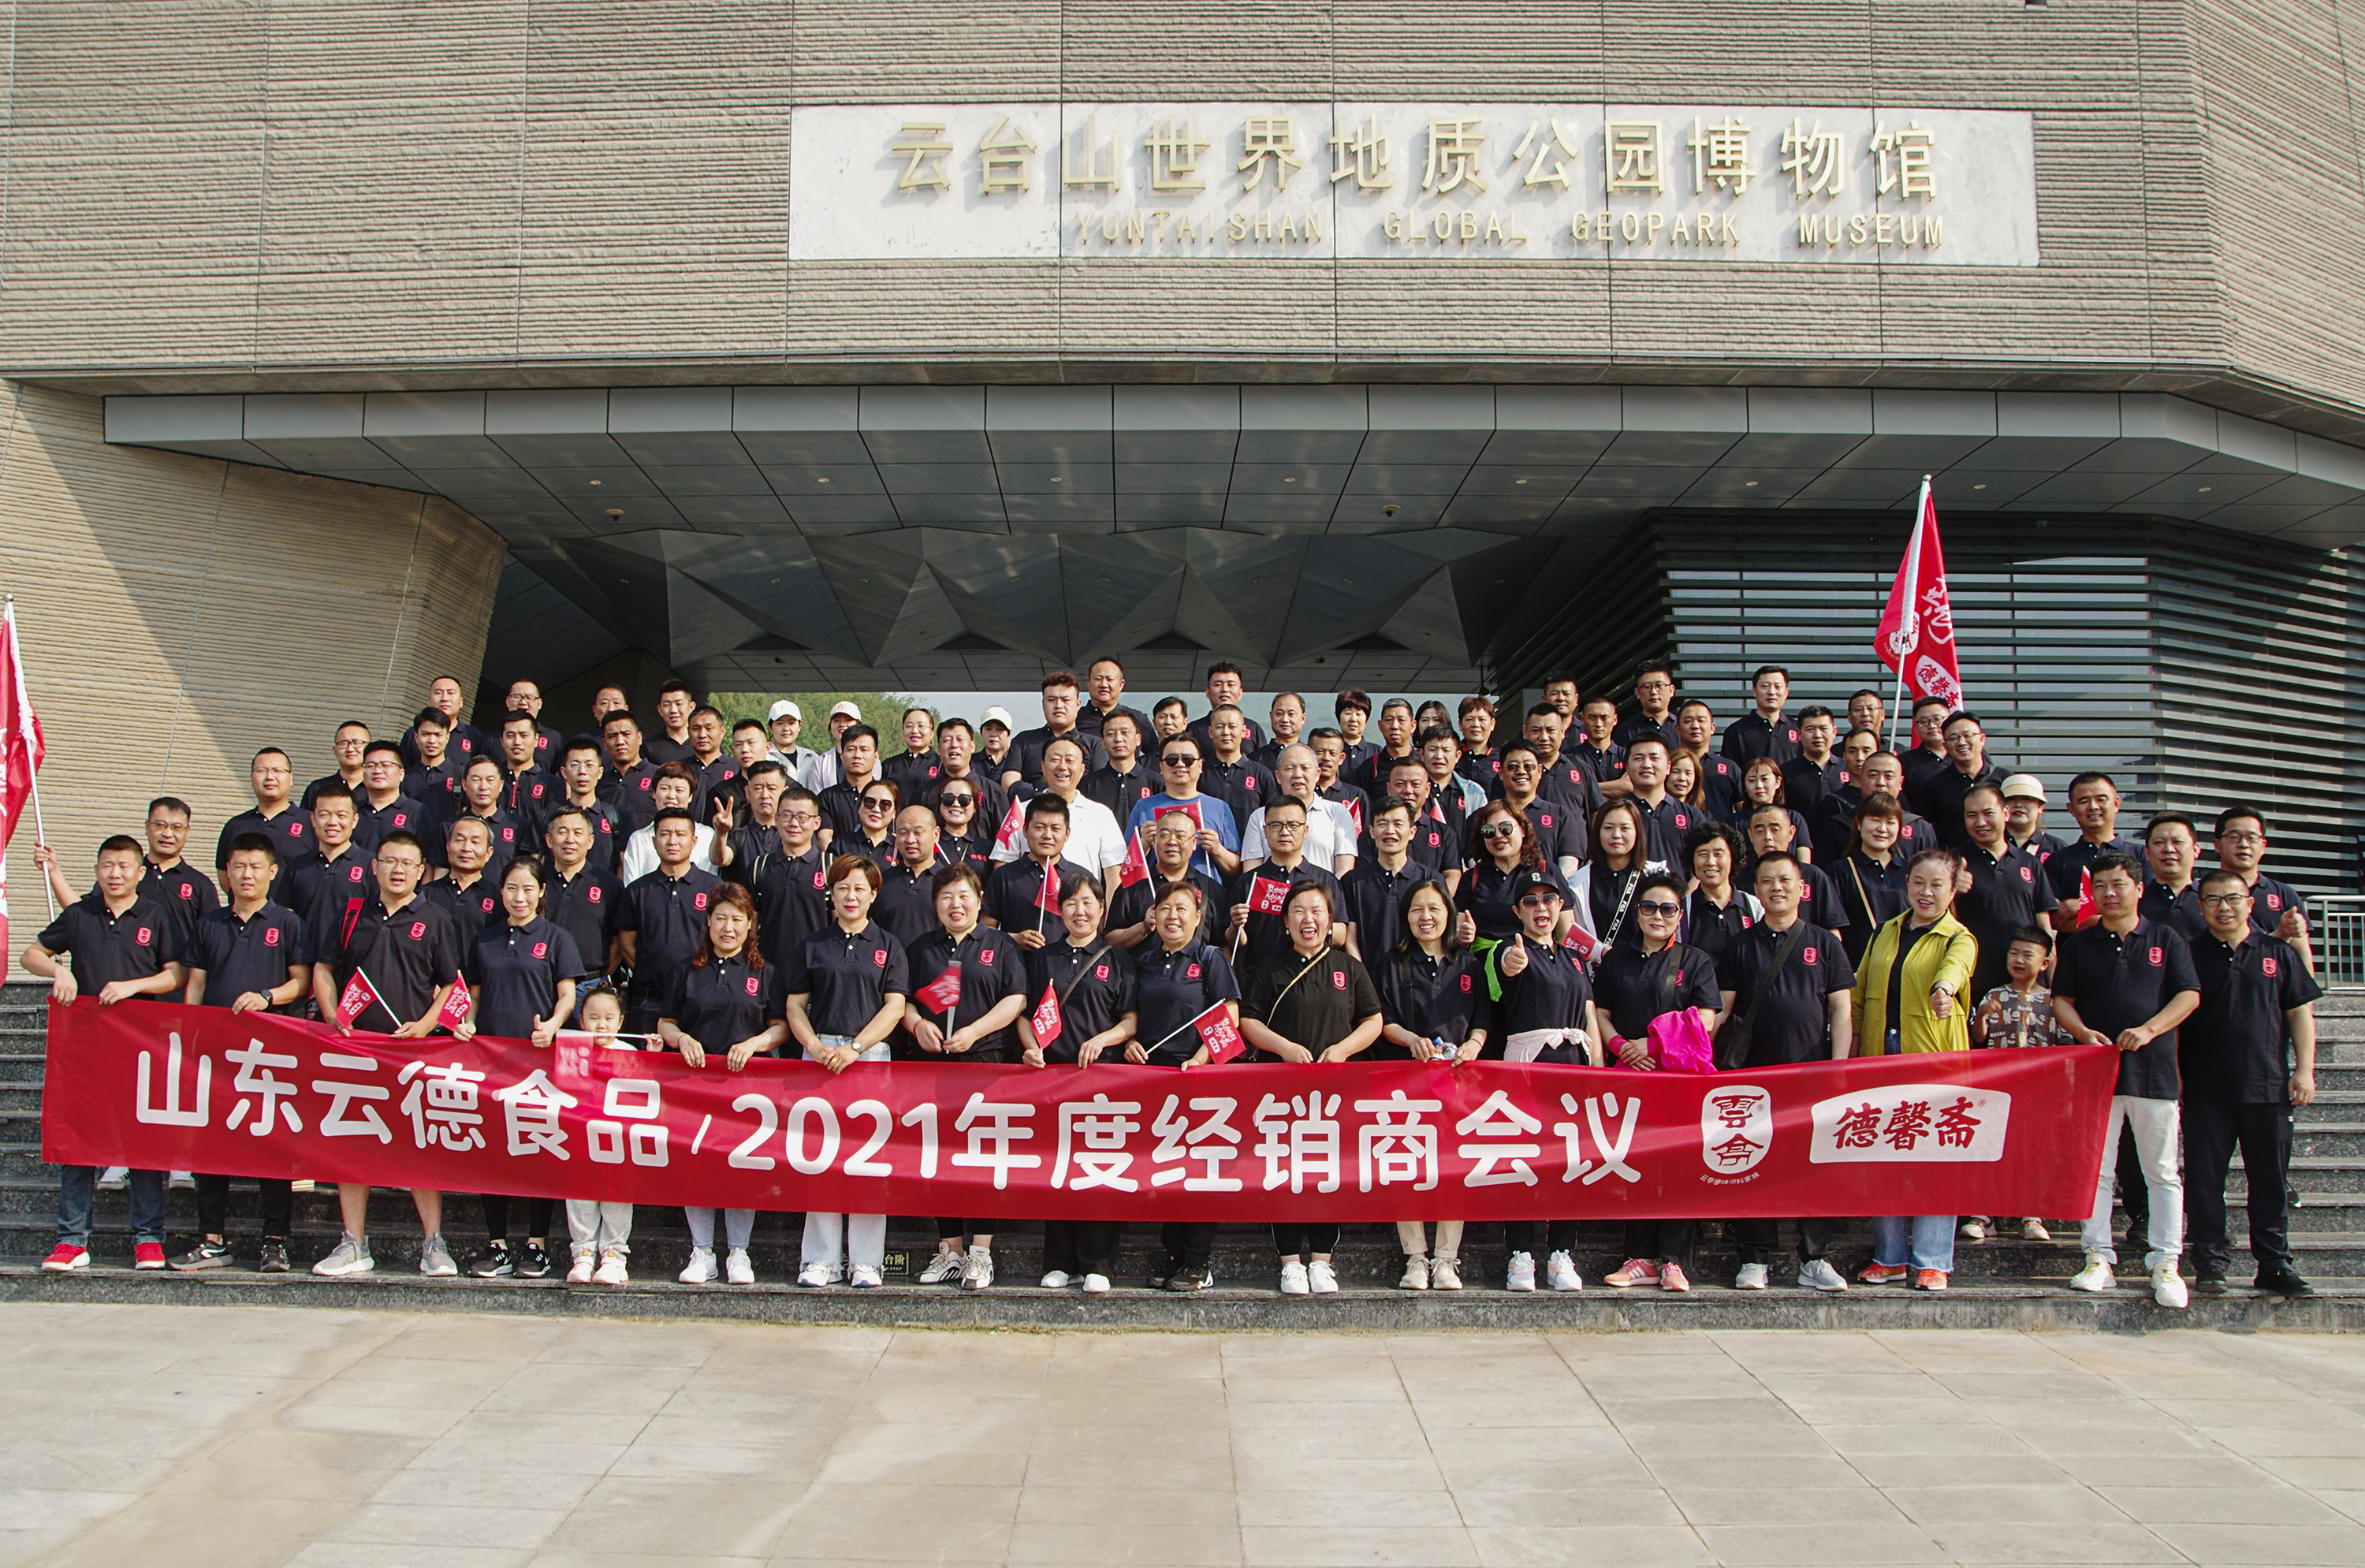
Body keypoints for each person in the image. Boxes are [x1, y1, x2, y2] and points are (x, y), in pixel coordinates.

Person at [305, 830, 462, 1278]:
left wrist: (426, 1025)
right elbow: (324, 968)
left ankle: (433, 1243)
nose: (398, 870)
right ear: (374, 867)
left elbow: (450, 983)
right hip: (356, 1049)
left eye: (407, 863)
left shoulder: (435, 918)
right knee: (353, 1145)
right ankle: (353, 1244)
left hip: (412, 1052)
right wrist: (332, 1015)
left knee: (418, 1147)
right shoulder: (352, 912)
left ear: (421, 871)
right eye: (389, 861)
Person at [25, 836, 186, 1272]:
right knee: (78, 1141)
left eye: (123, 866)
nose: (115, 874)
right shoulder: (80, 914)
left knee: (144, 1142)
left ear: (139, 872)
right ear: (97, 871)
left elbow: (175, 974)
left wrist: (135, 986)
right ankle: (71, 1239)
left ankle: (148, 1238)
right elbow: (31, 954)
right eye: (107, 866)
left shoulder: (156, 915)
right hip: (86, 1047)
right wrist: (58, 970)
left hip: (139, 1047)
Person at [2055, 850, 2202, 1309]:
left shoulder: (2165, 938)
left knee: (2161, 1171)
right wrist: (2083, 1033)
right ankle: (2097, 1256)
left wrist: (2150, 1030)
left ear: (2139, 889)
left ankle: (2166, 1262)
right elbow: (2062, 1000)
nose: (2109, 894)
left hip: (2153, 1073)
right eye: (2099, 887)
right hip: (2097, 1074)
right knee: (2096, 1171)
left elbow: (2189, 995)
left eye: (2118, 885)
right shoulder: (2080, 944)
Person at [169, 832, 311, 1272]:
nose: (247, 875)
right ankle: (212, 1238)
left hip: (270, 1055)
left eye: (256, 867)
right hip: (216, 1053)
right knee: (212, 1146)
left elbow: (301, 982)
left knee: (273, 1144)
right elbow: (195, 985)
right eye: (239, 867)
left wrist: (267, 997)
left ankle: (275, 1240)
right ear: (226, 873)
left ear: (272, 872)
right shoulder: (209, 923)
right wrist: (189, 1040)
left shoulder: (288, 923)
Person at [2182, 867, 2323, 1298]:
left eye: (2232, 899)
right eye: (2213, 900)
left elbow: (2300, 1013)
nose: (2223, 908)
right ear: (2201, 907)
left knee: (2270, 1181)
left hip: (2268, 1086)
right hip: (2205, 1088)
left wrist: (2304, 1070)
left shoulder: (2278, 952)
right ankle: (2210, 1262)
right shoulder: (2187, 954)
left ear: (2250, 903)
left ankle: (2274, 1264)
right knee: (2205, 1181)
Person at [1720, 852, 1857, 1291]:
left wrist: (1838, 1068)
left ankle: (1814, 1258)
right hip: (1753, 1077)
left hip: (1812, 1076)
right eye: (1767, 881)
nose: (1776, 888)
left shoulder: (1825, 943)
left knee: (1814, 1167)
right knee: (1751, 1163)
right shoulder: (1740, 945)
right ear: (1756, 891)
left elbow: (1841, 1010)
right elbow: (1722, 1011)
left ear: (1802, 888)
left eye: (1784, 880)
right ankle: (1754, 1257)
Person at [1239, 883, 1384, 1295]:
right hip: (1281, 1094)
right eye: (1299, 911)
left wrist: (1343, 1049)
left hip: (1334, 1096)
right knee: (1283, 1174)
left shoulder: (1348, 968)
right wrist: (1283, 1048)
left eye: (1317, 911)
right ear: (1286, 922)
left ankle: (1322, 1260)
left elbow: (1373, 1020)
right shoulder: (1270, 968)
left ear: (1330, 921)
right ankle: (1289, 1262)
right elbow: (1248, 1021)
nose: (1308, 919)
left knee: (1327, 1174)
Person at [1851, 847, 1979, 1290]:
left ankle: (1932, 1260)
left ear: (1953, 889)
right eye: (1919, 882)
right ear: (1906, 884)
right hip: (1880, 1056)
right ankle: (1889, 1257)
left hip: (1934, 1065)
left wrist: (1944, 989)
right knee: (1882, 1158)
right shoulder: (1885, 931)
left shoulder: (1959, 937)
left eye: (1937, 884)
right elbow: (1860, 990)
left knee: (1935, 1162)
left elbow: (1955, 970)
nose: (1926, 892)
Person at [454, 857, 584, 1280]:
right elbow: (473, 995)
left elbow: (567, 995)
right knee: (493, 1153)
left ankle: (536, 1244)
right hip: (490, 1063)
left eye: (528, 889)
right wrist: (468, 1022)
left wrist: (554, 1024)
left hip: (538, 1064)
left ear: (542, 891)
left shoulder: (557, 937)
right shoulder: (485, 939)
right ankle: (496, 1244)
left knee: (537, 1148)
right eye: (512, 888)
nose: (520, 897)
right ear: (501, 892)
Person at [906, 862, 1033, 1290]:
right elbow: (903, 1000)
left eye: (963, 896)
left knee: (981, 1157)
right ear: (935, 904)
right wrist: (917, 1025)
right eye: (946, 897)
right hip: (933, 1067)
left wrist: (974, 1032)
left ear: (980, 900)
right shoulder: (922, 948)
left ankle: (980, 1252)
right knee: (938, 1156)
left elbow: (1016, 999)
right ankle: (950, 1250)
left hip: (986, 1063)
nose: (955, 904)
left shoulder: (1001, 944)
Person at [784, 856, 909, 1288]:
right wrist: (815, 1046)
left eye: (859, 889)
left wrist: (857, 1047)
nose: (851, 896)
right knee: (820, 1158)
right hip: (820, 1056)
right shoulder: (813, 944)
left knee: (868, 1160)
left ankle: (866, 1262)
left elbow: (895, 1007)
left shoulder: (889, 945)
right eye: (842, 888)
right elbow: (795, 1006)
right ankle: (820, 1260)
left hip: (868, 1057)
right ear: (831, 895)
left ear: (873, 895)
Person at [1594, 872, 1721, 1294]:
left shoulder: (1695, 961)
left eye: (1668, 909)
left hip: (1678, 1082)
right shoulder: (1617, 960)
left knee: (1679, 1167)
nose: (1658, 916)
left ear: (1680, 915)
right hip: (1631, 1078)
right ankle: (1639, 1258)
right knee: (1636, 1165)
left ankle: (1675, 1261)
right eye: (1649, 907)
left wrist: (1651, 1044)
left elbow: (1706, 1019)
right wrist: (1619, 1046)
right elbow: (1600, 1012)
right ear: (1637, 912)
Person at [661, 882, 788, 1285]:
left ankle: (738, 1252)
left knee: (740, 1167)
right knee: (696, 1167)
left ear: (751, 924)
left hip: (746, 1089)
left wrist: (753, 1045)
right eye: (720, 918)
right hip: (693, 1088)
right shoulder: (685, 970)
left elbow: (781, 1027)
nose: (728, 927)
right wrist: (681, 1039)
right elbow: (666, 1022)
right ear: (708, 922)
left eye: (737, 919)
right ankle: (702, 1252)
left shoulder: (765, 973)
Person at [1020, 873, 1138, 1293]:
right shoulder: (1043, 959)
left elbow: (1130, 1021)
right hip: (1053, 1081)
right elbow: (1025, 1014)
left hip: (1103, 1082)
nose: (1080, 911)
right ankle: (1060, 1261)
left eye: (1088, 903)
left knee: (1100, 1172)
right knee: (1058, 1170)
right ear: (1059, 909)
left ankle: (1097, 1264)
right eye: (1071, 903)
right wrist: (1031, 1047)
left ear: (1101, 909)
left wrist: (1102, 1040)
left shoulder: (1117, 960)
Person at [1372, 876, 1487, 1291]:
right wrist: (1411, 1040)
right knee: (1408, 1165)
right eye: (1417, 909)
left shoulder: (1468, 964)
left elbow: (1483, 1021)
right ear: (1406, 916)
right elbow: (1382, 1019)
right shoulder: (1391, 963)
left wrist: (1473, 1045)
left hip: (1458, 1083)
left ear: (1449, 915)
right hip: (1408, 1084)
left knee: (1453, 1168)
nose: (1426, 917)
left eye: (1435, 909)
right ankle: (1416, 1257)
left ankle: (1446, 1259)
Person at [1494, 868, 1600, 1292]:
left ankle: (1561, 1252)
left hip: (1574, 1066)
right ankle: (1520, 1253)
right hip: (1529, 1066)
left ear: (1561, 906)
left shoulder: (1575, 958)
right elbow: (1507, 966)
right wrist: (1512, 961)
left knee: (1568, 1160)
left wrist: (1598, 1071)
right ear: (1518, 910)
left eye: (1549, 899)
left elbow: (1589, 1016)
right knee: (1524, 1159)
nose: (1541, 908)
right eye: (1531, 901)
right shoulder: (1510, 949)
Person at [1132, 881, 1241, 1292]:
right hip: (1155, 1081)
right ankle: (1174, 1255)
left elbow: (1229, 1014)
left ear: (1198, 917)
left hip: (1198, 1079)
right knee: (1165, 1169)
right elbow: (1133, 1015)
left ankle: (1198, 1261)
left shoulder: (1210, 958)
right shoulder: (1145, 961)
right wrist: (1131, 1044)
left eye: (1181, 909)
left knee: (1197, 1171)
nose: (1172, 916)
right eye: (1165, 908)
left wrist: (1200, 1059)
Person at [1961, 925, 2072, 1245]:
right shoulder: (1995, 995)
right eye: (2014, 953)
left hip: (2039, 1091)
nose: (2019, 960)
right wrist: (1982, 1014)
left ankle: (2031, 1214)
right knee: (1990, 1149)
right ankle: (1983, 1214)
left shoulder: (2054, 1001)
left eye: (2028, 955)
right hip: (1998, 1087)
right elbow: (1978, 1037)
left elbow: (2064, 1043)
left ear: (2045, 963)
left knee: (2033, 1151)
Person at [616, 808, 724, 1035]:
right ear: (654, 841)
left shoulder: (715, 888)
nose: (672, 841)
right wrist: (649, 974)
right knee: (646, 1057)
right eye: (665, 834)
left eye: (680, 834)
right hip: (649, 999)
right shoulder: (637, 890)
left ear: (694, 842)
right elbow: (626, 944)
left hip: (700, 997)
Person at [558, 983, 638, 1284]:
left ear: (620, 1021)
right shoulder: (572, 1051)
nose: (601, 1024)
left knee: (617, 1196)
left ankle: (615, 1255)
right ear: (581, 1020)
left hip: (618, 1142)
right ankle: (583, 1253)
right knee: (580, 1196)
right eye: (593, 1017)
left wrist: (653, 1056)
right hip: (580, 1139)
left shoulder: (630, 1052)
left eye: (608, 1018)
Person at [1953, 781, 2058, 1006]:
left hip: (2027, 987)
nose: (1980, 822)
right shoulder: (1953, 863)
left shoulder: (2029, 863)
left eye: (1988, 813)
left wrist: (2053, 988)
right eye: (1971, 815)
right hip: (1972, 983)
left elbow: (2045, 929)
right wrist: (1950, 889)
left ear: (2006, 813)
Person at [1223, 797, 1344, 970]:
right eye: (1276, 825)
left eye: (1293, 825)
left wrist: (1315, 925)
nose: (1284, 832)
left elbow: (1341, 935)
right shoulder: (1249, 882)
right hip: (1262, 976)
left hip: (1314, 973)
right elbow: (1236, 942)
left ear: (1305, 830)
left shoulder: (1325, 880)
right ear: (1265, 831)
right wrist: (1235, 926)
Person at [994, 736, 1127, 891]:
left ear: (1082, 769)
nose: (1062, 767)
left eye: (1070, 760)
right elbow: (1003, 865)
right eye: (1055, 759)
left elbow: (1114, 874)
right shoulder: (1020, 812)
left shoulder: (1101, 815)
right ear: (1043, 767)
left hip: (1081, 904)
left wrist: (1109, 907)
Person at [1454, 799, 1572, 955]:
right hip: (1484, 963)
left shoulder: (1547, 871)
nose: (1498, 836)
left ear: (1523, 830)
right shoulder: (1472, 878)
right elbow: (1458, 932)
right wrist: (1463, 936)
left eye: (1506, 828)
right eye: (1489, 831)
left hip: (1536, 960)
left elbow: (1566, 933)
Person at [1125, 732, 1242, 879]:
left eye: (1188, 760)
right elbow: (1126, 865)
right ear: (1161, 766)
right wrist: (1143, 844)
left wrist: (1217, 849)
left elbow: (1237, 870)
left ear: (1200, 765)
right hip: (1157, 890)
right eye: (1171, 760)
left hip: (1205, 890)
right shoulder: (1143, 807)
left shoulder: (1219, 808)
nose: (1180, 764)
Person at [2212, 806, 2313, 968]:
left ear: (2263, 845)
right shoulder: (2200, 893)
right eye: (2234, 837)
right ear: (2217, 845)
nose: (2243, 844)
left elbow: (2301, 952)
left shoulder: (2284, 894)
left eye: (2252, 838)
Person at [1241, 744, 1357, 876]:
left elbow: (1344, 871)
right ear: (1278, 776)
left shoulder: (1338, 813)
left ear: (1317, 774)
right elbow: (1252, 872)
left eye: (1305, 768)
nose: (1298, 775)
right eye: (1290, 768)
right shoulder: (1260, 816)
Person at [1831, 794, 1912, 968]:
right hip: (1858, 968)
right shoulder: (1841, 870)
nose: (1882, 829)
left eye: (1890, 822)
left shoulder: (1911, 871)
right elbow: (1833, 927)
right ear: (1859, 823)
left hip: (1904, 967)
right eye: (1875, 820)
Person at [215, 746, 315, 883]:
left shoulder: (311, 822)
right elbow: (224, 873)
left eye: (277, 771)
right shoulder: (235, 825)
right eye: (261, 771)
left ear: (291, 778)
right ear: (251, 778)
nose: (269, 777)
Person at [1911, 710, 2009, 844]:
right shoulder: (1934, 785)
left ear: (1982, 739)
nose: (1961, 742)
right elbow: (1924, 829)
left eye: (1968, 736)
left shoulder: (2005, 780)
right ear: (1945, 746)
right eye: (1953, 738)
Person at [1492, 741, 1588, 875]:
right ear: (1501, 772)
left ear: (1539, 771)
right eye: (1513, 767)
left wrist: (1551, 886)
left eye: (1528, 766)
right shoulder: (1485, 817)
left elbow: (1569, 864)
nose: (1521, 771)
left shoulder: (1561, 815)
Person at [1571, 797, 1652, 955]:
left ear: (1637, 832)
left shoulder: (1654, 875)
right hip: (1598, 967)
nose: (1616, 835)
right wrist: (1599, 954)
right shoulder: (1578, 882)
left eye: (1625, 828)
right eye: (1608, 828)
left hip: (1648, 966)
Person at [1681, 821, 1760, 971]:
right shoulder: (1682, 911)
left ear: (1733, 858)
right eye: (1703, 854)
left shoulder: (1755, 908)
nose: (1711, 862)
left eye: (1718, 854)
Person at [1007, 672, 1108, 789]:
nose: (1058, 705)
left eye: (1065, 700)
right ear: (1043, 704)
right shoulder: (1023, 740)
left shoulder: (1094, 745)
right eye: (1051, 700)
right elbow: (1009, 781)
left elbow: (1100, 785)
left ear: (1078, 705)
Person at [1200, 704, 1279, 824]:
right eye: (1220, 727)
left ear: (1243, 731)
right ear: (1210, 732)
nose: (1226, 732)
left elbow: (1272, 817)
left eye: (1232, 726)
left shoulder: (1261, 774)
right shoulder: (1200, 772)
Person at [2140, 811, 2208, 941]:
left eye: (2178, 842)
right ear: (2147, 853)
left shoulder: (2212, 900)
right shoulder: (2135, 901)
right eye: (2159, 842)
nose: (2169, 849)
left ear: (2196, 850)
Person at [1081, 709, 1156, 823]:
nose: (1118, 739)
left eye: (1125, 733)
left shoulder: (1156, 783)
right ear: (1103, 742)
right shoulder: (1088, 785)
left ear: (1138, 739)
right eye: (1111, 734)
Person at [597, 710, 661, 832]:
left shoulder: (659, 776)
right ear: (604, 744)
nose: (620, 742)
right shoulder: (600, 783)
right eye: (612, 736)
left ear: (639, 738)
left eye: (626, 734)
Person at [1721, 665, 1799, 764]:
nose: (1771, 692)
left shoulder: (1798, 729)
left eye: (1778, 687)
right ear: (1754, 691)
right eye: (1765, 686)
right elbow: (1731, 770)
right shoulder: (1737, 731)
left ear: (1786, 693)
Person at [1780, 706, 1845, 818]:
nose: (1818, 735)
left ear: (1834, 732)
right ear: (1799, 734)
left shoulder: (1847, 768)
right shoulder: (1785, 773)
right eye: (1810, 729)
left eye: (1823, 729)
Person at [1078, 657, 1152, 744]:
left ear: (1121, 684)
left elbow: (1156, 750)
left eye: (1110, 679)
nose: (1104, 685)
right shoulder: (1075, 718)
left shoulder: (1138, 719)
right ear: (1088, 683)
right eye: (1098, 679)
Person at [302, 720, 373, 810]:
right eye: (343, 743)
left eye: (357, 743)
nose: (350, 749)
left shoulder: (379, 787)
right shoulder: (317, 788)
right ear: (335, 751)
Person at [1614, 660, 1681, 753]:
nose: (1653, 692)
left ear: (1671, 690)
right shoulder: (1626, 732)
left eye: (1659, 685)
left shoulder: (1683, 728)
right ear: (1637, 692)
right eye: (1647, 686)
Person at [2002, 773, 2065, 866]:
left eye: (2027, 799)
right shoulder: (1988, 844)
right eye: (2011, 799)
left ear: (2040, 806)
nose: (2018, 805)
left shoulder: (2057, 848)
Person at [882, 706, 942, 799]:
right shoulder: (889, 764)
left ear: (932, 733)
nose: (914, 731)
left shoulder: (941, 763)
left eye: (921, 726)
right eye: (909, 726)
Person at [644, 678, 697, 765]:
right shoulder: (649, 746)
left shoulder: (703, 743)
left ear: (691, 707)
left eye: (679, 704)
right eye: (667, 705)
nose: (673, 710)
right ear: (660, 710)